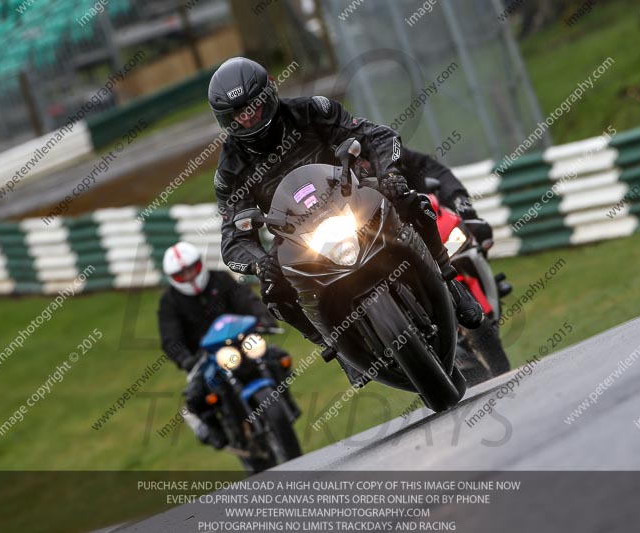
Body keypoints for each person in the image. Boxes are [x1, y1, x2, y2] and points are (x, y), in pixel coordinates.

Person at [208, 57, 485, 385]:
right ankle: (336, 347)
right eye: (238, 114)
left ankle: (448, 277)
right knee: (272, 289)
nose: (248, 117)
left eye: (252, 107)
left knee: (412, 201)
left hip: (352, 199)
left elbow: (376, 136)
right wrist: (258, 264)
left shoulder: (313, 110)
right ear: (227, 120)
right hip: (297, 237)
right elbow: (232, 238)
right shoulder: (229, 170)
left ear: (268, 95)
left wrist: (389, 175)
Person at [157, 241, 283, 449]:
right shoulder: (169, 301)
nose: (189, 276)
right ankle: (216, 432)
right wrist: (185, 359)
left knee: (278, 358)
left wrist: (263, 319)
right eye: (182, 274)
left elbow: (247, 300)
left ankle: (284, 406)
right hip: (205, 358)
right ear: (173, 278)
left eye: (192, 269)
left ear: (200, 264)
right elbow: (170, 338)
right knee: (196, 397)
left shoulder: (221, 279)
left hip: (240, 342)